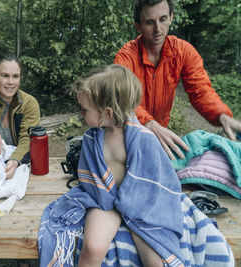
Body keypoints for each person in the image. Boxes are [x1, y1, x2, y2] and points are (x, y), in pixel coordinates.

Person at [37, 65, 233, 266]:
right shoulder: (91, 139)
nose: (80, 113)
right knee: (92, 249)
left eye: (84, 109)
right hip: (105, 201)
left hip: (141, 204)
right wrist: (110, 200)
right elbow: (91, 180)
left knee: (154, 260)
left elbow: (158, 182)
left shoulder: (143, 139)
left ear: (108, 112)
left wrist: (131, 204)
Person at [113, 0, 241, 160]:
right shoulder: (125, 58)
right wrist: (148, 123)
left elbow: (200, 91)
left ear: (171, 18)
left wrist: (222, 115)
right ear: (138, 26)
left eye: (163, 19)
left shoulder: (184, 52)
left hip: (159, 132)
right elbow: (121, 99)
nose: (158, 29)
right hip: (126, 133)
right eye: (150, 22)